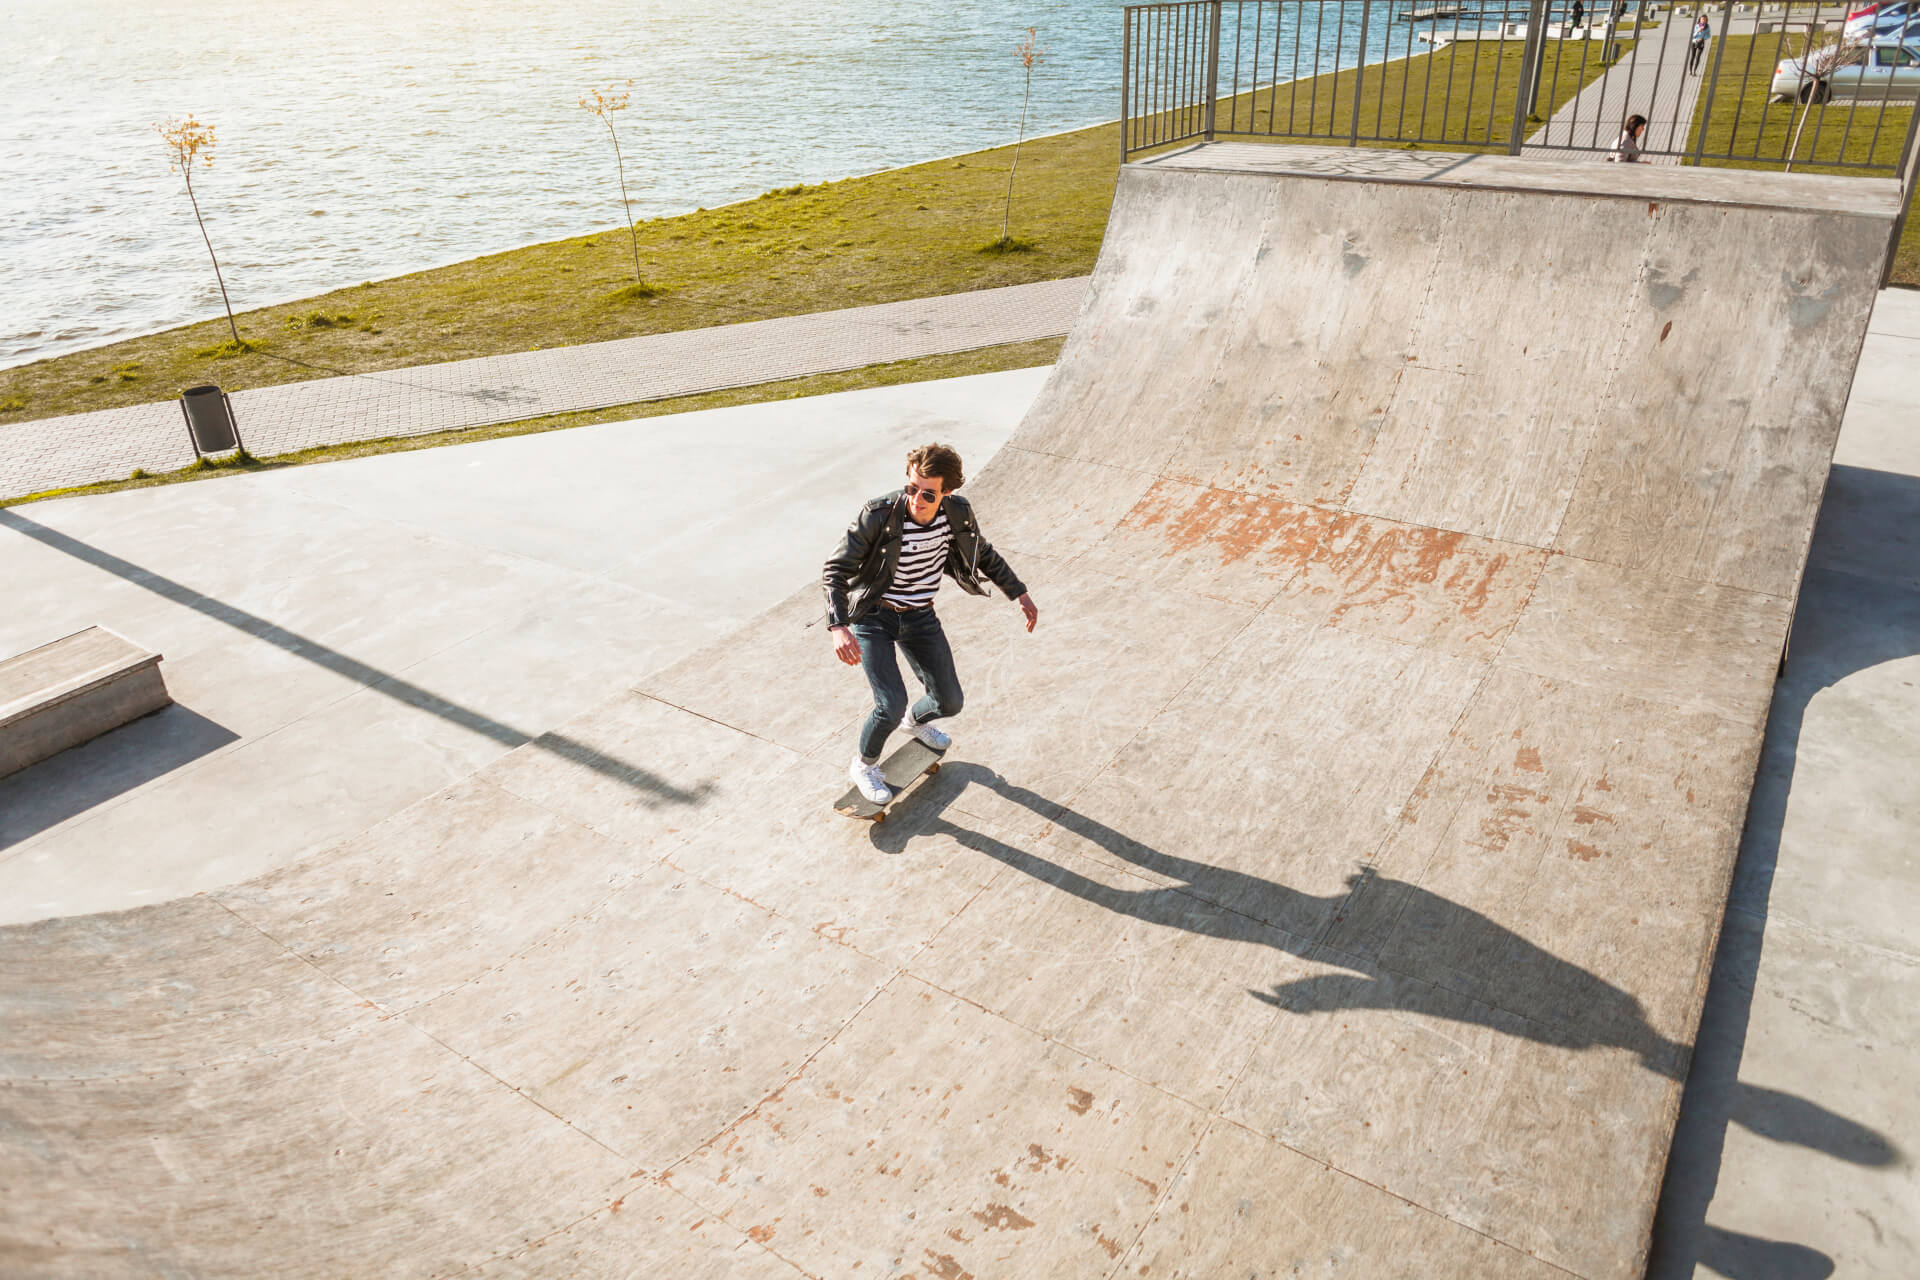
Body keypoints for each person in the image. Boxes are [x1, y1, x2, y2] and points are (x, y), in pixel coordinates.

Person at [823, 443, 1038, 804]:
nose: (916, 500)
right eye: (911, 488)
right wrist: (838, 626)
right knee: (888, 704)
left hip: (921, 615)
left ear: (947, 492)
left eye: (927, 494)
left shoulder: (957, 514)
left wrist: (1018, 592)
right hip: (874, 616)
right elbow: (836, 569)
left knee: (950, 701)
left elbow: (982, 552)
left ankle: (914, 721)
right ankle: (864, 765)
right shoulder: (877, 515)